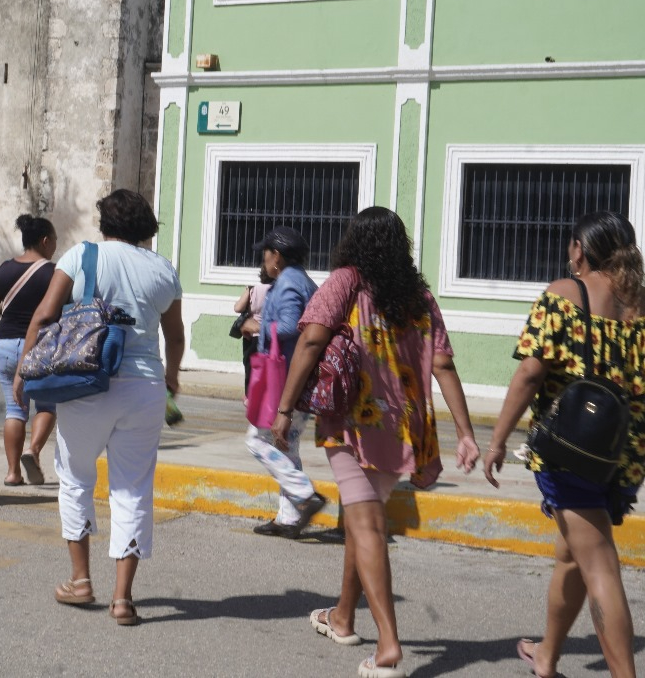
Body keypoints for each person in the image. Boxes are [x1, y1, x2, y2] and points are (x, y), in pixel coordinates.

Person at [272, 207, 479, 678]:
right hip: (402, 429)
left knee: (365, 526)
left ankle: (389, 647)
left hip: (353, 422)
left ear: (353, 242)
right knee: (360, 517)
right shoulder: (419, 297)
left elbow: (309, 342)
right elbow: (443, 365)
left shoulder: (346, 281)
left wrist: (285, 409)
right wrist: (465, 433)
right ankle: (343, 617)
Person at [482, 211, 643, 678]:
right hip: (624, 456)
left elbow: (531, 373)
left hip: (572, 451)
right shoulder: (641, 305)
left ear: (579, 250)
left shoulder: (564, 295)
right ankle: (547, 657)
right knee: (571, 554)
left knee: (599, 567)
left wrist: (497, 441)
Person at [13, 189, 184, 627]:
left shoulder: (82, 255)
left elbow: (45, 316)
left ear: (105, 222)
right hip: (144, 387)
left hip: (88, 379)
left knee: (75, 477)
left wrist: (23, 372)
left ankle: (80, 580)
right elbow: (176, 335)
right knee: (132, 488)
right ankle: (123, 599)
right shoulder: (163, 269)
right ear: (147, 226)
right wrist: (172, 378)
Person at [244, 227, 327, 539]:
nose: (263, 261)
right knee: (286, 446)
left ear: (276, 256)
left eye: (266, 254)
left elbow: (293, 326)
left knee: (256, 440)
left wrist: (259, 326)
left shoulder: (290, 281)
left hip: (284, 377)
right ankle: (288, 517)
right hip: (297, 376)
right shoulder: (301, 280)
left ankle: (305, 494)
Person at [0, 214, 59, 486]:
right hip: (40, 347)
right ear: (45, 241)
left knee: (14, 409)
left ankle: (12, 472)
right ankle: (32, 450)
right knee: (46, 404)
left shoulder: (3, 270)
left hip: (6, 346)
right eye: (55, 241)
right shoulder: (53, 273)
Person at [233, 266, 272, 392]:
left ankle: (250, 397)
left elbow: (238, 308)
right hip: (268, 335)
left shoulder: (253, 289)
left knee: (250, 367)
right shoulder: (277, 290)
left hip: (251, 336)